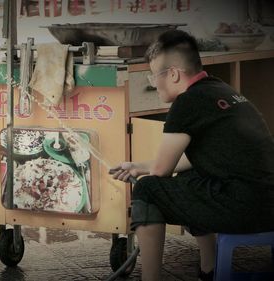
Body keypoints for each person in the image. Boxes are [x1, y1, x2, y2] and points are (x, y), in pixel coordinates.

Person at [110, 30, 274, 281]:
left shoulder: (187, 103)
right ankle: (208, 270)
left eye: (154, 76)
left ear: (173, 74)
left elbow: (161, 172)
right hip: (265, 201)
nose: (153, 83)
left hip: (245, 208)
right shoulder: (222, 90)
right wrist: (139, 166)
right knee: (192, 177)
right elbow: (205, 158)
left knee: (148, 190)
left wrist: (146, 173)